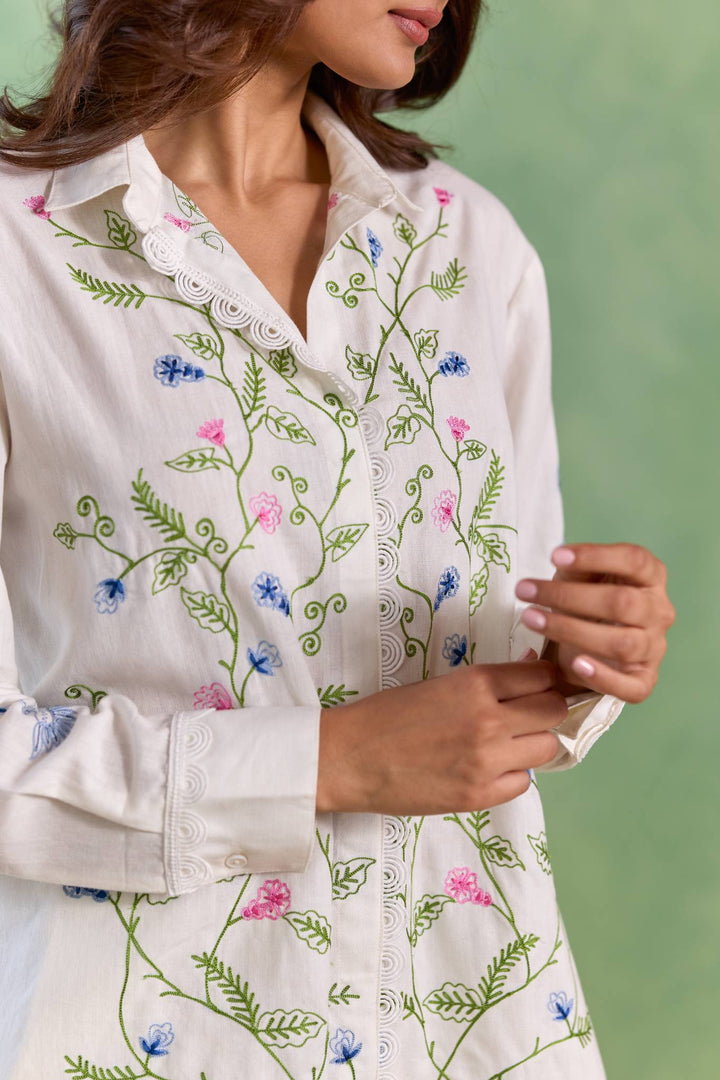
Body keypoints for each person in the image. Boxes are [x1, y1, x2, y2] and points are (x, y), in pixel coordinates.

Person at [0, 1, 674, 1077]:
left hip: (477, 1027)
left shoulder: (466, 243)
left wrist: (589, 660)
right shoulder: (18, 255)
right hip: (146, 1041)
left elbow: (498, 662)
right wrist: (328, 764)